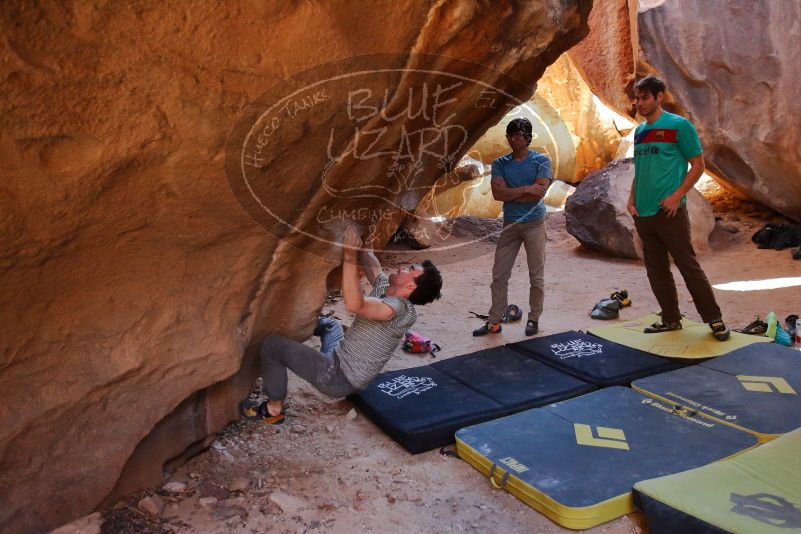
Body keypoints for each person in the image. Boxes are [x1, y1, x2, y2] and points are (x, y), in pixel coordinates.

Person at [241, 226, 443, 424]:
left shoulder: (398, 309)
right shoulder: (387, 288)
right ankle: (297, 342)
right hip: (339, 355)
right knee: (330, 325)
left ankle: (273, 410)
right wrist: (365, 233)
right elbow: (370, 259)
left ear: (410, 286)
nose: (402, 268)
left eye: (410, 270)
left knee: (272, 346)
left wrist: (349, 256)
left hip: (339, 377)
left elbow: (356, 304)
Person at [628, 74, 730, 341]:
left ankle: (715, 320)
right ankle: (670, 319)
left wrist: (677, 196)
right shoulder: (640, 131)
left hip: (670, 212)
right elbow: (641, 170)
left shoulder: (679, 126)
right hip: (644, 213)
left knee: (688, 265)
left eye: (644, 97)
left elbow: (698, 165)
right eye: (636, 98)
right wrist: (631, 199)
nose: (639, 103)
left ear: (659, 97)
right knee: (656, 270)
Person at [473, 117, 552, 337]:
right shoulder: (500, 163)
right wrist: (526, 189)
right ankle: (494, 321)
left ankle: (534, 319)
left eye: (517, 135)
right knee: (499, 275)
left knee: (536, 276)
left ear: (527, 137)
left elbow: (538, 196)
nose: (513, 139)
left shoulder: (542, 161)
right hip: (510, 224)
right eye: (510, 135)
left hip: (534, 224)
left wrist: (513, 192)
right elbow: (498, 194)